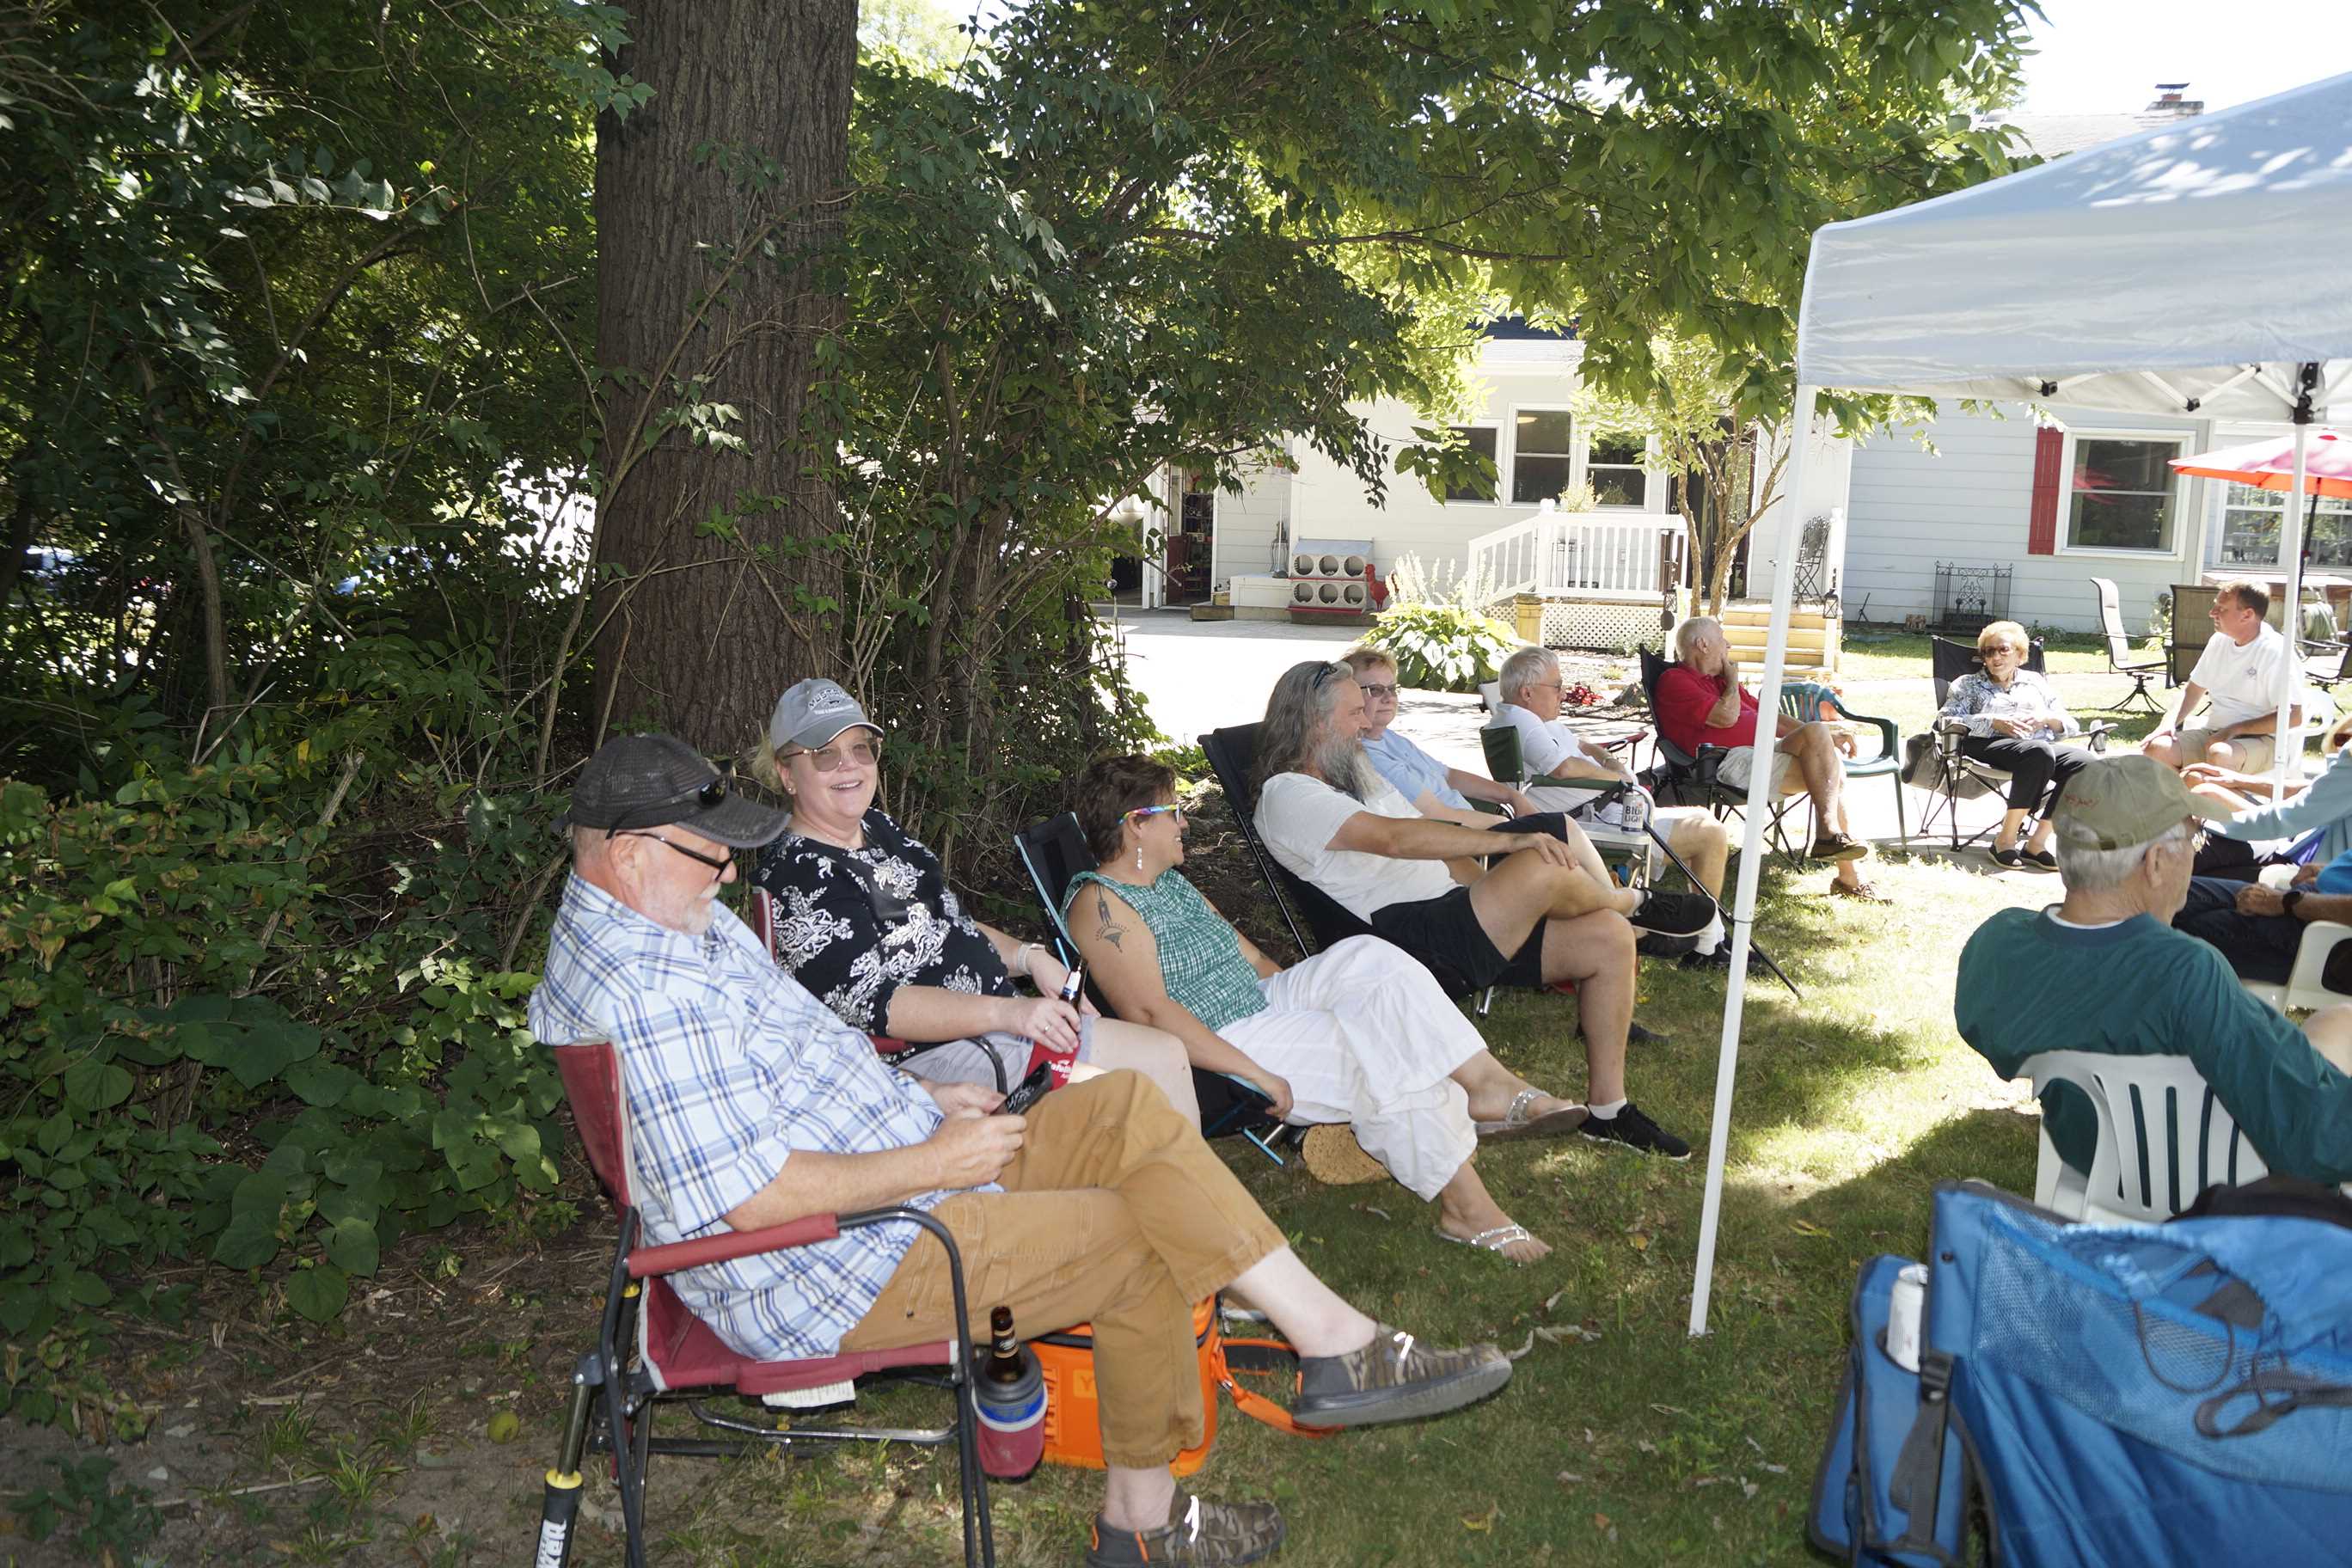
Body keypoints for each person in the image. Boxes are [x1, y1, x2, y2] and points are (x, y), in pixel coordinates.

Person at [531, 733, 1514, 1567]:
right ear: (630, 852)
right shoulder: (647, 992)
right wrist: (937, 1162)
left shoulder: (675, 922)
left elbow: (804, 1055)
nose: (729, 871)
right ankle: (1146, 1525)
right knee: (1134, 1242)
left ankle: (1329, 1341)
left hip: (892, 1161)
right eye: (710, 853)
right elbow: (752, 1201)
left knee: (1124, 1107)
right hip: (835, 1262)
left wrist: (920, 1097)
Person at [1067, 755, 1587, 1264]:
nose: (1184, 823)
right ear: (1136, 824)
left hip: (1260, 1000)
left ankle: (1485, 1083)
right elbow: (1151, 1015)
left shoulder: (1168, 884)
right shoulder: (1100, 905)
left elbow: (1252, 958)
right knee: (1370, 1051)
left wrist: (1312, 1000)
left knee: (1368, 959)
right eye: (1173, 812)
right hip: (1220, 1038)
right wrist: (1256, 1072)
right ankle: (1468, 1210)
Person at [1251, 659, 1705, 1159]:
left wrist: (1495, 893)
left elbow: (1438, 844)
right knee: (1542, 860)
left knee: (1607, 939)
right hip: (1402, 939)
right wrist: (1511, 846)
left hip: (1452, 914)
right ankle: (1633, 903)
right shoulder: (1288, 793)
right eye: (1355, 712)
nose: (1366, 723)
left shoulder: (1356, 771)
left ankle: (1608, 1111)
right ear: (1315, 722)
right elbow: (1395, 839)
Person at [747, 679, 1199, 1127]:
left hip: (996, 1027)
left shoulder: (878, 829)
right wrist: (1011, 1013)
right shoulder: (800, 876)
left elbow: (949, 923)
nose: (849, 765)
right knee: (1129, 1099)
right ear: (786, 774)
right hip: (929, 1061)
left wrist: (1030, 958)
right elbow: (878, 1006)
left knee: (1165, 1053)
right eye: (825, 754)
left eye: (860, 749)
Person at [1955, 754, 2352, 1187]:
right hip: (2216, 1179)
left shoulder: (1998, 942)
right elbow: (2319, 1136)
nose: (2195, 856)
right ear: (2157, 862)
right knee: (2339, 1028)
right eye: (2194, 841)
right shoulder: (2185, 972)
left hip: (2091, 1159)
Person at [1482, 645, 1737, 967]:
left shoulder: (1528, 720)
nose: (1564, 693)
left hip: (1603, 811)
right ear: (1527, 692)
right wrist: (1617, 777)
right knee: (1709, 832)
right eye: (1557, 686)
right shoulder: (1525, 725)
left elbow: (1580, 746)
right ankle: (1709, 945)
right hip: (1596, 820)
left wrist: (1607, 760)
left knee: (1703, 822)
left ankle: (1709, 938)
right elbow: (1563, 768)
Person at [1655, 616, 1885, 902]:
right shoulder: (1675, 681)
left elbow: (1770, 717)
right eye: (1722, 638)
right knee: (1830, 769)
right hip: (1724, 762)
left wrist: (1826, 738)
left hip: (1760, 752)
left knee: (1817, 733)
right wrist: (1733, 682)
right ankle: (1846, 870)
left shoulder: (1719, 681)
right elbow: (1726, 717)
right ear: (1702, 644)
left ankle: (1829, 835)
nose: (1728, 645)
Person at [1933, 619, 2093, 869]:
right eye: (1989, 652)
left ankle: (2036, 844)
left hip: (2036, 746)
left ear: (2020, 655)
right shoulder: (1967, 684)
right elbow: (1944, 720)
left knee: (2086, 765)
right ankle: (2004, 841)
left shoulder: (2035, 682)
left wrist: (2046, 719)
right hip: (1986, 745)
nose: (1995, 657)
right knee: (2038, 752)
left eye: (2003, 650)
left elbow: (2070, 723)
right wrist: (1993, 722)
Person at [2144, 579, 2298, 774]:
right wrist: (2167, 724)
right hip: (2215, 734)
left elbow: (2295, 716)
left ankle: (2212, 792)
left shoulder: (2275, 651)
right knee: (2156, 749)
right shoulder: (2219, 641)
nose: (2212, 613)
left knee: (2219, 753)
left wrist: (2234, 729)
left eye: (2222, 608)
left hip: (2263, 740)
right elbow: (2192, 690)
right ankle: (2190, 791)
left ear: (2247, 615)